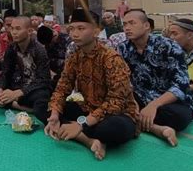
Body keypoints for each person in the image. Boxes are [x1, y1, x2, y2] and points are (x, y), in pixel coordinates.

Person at [44, 9, 138, 161]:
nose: (74, 34)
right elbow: (62, 87)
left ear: (96, 31)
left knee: (114, 129)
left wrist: (82, 124)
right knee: (45, 108)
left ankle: (77, 131)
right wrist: (54, 115)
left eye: (81, 28)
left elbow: (116, 102)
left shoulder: (111, 58)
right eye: (72, 29)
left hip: (116, 114)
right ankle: (89, 141)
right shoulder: (75, 57)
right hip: (87, 108)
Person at [118, 9, 193, 147]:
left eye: (132, 23)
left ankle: (138, 121)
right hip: (137, 98)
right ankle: (156, 129)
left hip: (166, 100)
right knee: (115, 105)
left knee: (180, 117)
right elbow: (121, 80)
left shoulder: (169, 46)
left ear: (146, 26)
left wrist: (153, 105)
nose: (127, 28)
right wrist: (131, 101)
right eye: (124, 24)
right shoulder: (122, 48)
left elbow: (181, 84)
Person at [0, 16, 52, 121]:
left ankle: (13, 104)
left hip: (32, 89)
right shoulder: (11, 48)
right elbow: (6, 73)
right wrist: (0, 91)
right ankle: (15, 104)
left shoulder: (39, 50)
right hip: (15, 85)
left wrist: (16, 93)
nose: (13, 32)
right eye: (12, 28)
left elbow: (44, 80)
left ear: (29, 31)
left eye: (18, 29)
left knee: (41, 100)